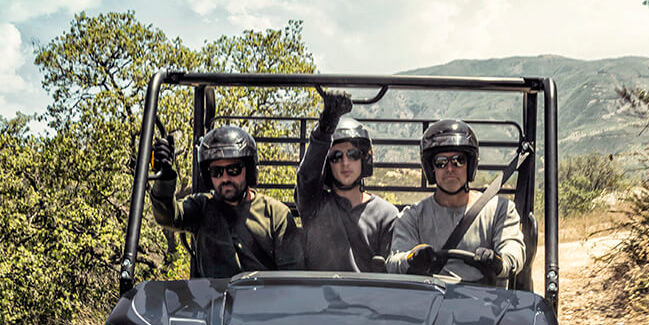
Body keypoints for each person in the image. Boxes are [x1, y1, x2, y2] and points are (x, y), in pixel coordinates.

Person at [150, 125, 303, 277]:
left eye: (233, 170)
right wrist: (164, 179)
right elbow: (167, 216)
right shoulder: (201, 208)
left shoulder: (275, 214)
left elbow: (291, 278)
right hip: (212, 299)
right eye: (216, 172)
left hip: (263, 299)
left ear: (248, 170)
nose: (225, 178)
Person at [385, 119, 525, 284]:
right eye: (441, 162)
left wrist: (498, 263)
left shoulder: (500, 210)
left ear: (470, 165)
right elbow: (394, 261)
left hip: (486, 302)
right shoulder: (413, 216)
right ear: (432, 168)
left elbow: (513, 250)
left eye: (459, 160)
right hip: (431, 302)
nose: (450, 169)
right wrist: (412, 259)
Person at [295, 90, 399, 272]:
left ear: (364, 159)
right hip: (318, 297)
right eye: (336, 156)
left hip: (367, 298)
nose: (345, 163)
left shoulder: (386, 215)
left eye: (352, 154)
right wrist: (324, 130)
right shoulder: (315, 206)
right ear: (328, 164)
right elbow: (307, 177)